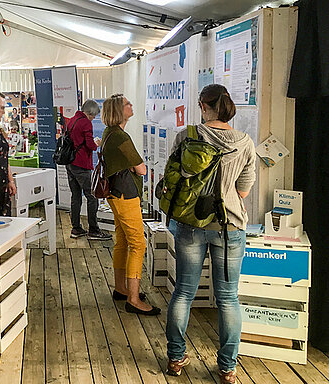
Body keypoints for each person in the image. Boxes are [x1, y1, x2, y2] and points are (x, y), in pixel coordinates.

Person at [165, 85, 256, 384]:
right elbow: (243, 188)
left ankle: (176, 357)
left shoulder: (187, 135)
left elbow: (172, 177)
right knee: (228, 298)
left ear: (204, 106)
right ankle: (227, 367)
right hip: (229, 226)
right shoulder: (244, 142)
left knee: (183, 293)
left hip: (191, 225)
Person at [101, 94, 160, 316]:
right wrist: (137, 166)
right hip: (126, 195)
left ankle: (121, 288)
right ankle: (133, 299)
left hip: (116, 194)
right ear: (119, 110)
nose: (131, 105)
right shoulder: (120, 137)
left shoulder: (109, 133)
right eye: (128, 103)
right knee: (138, 244)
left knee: (123, 240)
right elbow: (142, 168)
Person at [66, 99, 112, 241]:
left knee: (76, 196)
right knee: (92, 197)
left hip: (70, 163)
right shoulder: (85, 122)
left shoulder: (72, 120)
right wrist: (97, 143)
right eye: (93, 116)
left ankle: (76, 228)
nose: (93, 119)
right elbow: (90, 145)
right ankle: (93, 230)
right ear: (89, 113)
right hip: (81, 164)